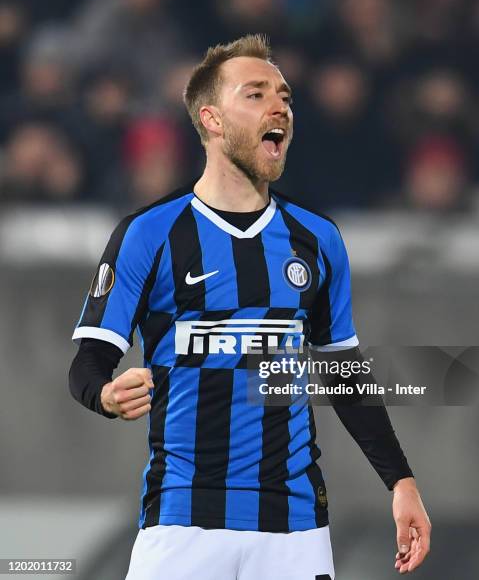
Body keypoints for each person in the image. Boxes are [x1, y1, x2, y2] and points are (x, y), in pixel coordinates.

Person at [69, 34, 431, 579]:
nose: (280, 105)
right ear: (212, 120)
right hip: (181, 523)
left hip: (295, 529)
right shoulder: (150, 235)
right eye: (256, 94)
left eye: (284, 94)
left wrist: (401, 482)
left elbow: (344, 375)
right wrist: (105, 395)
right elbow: (87, 364)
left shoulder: (317, 239)